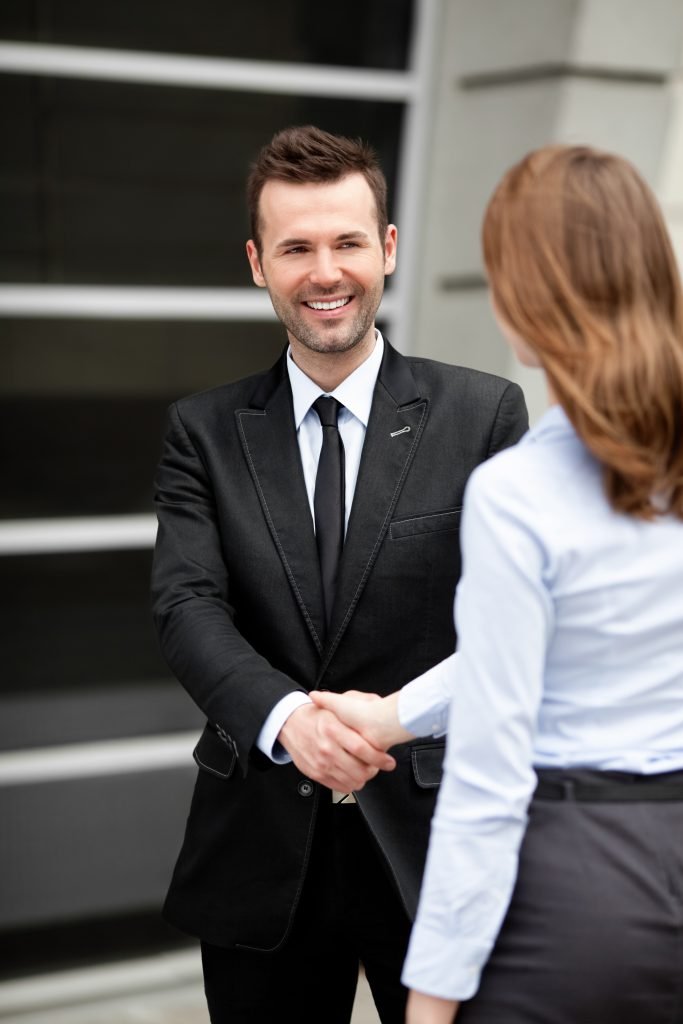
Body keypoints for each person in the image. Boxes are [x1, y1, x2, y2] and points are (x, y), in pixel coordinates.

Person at [150, 124, 528, 1024]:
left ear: (387, 249)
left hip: (437, 846)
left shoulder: (483, 416)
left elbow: (517, 627)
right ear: (257, 263)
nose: (326, 272)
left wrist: (389, 722)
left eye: (347, 242)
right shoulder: (201, 432)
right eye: (296, 248)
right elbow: (186, 604)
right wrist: (290, 723)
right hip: (261, 853)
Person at [313, 143, 683, 1024]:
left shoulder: (518, 493)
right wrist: (395, 714)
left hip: (576, 892)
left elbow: (487, 781)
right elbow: (542, 651)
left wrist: (431, 1006)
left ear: (526, 297)